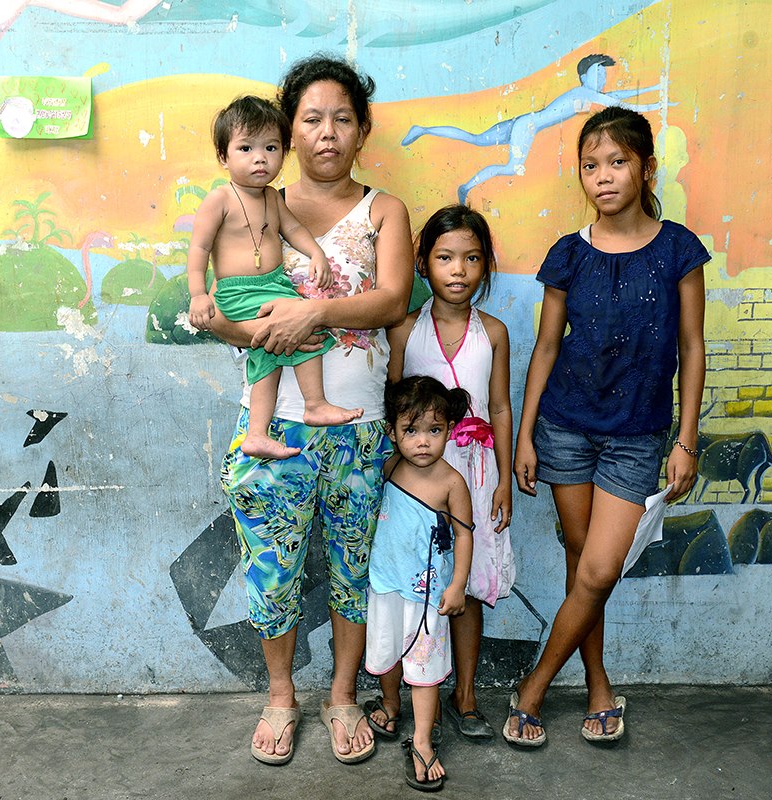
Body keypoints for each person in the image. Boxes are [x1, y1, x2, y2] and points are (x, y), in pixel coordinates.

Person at [203, 54, 415, 766]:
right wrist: (266, 330)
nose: (328, 133)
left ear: (362, 130)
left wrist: (313, 313)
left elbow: (392, 301)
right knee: (273, 567)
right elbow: (220, 309)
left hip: (358, 429)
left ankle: (344, 695)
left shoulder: (384, 210)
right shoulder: (253, 202)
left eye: (343, 119)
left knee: (355, 570)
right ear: (288, 131)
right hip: (273, 425)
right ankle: (280, 696)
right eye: (312, 119)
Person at [507, 106, 707, 746]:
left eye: (617, 161)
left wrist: (686, 440)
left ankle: (533, 688)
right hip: (565, 426)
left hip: (636, 436)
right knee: (579, 564)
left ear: (647, 168)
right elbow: (545, 347)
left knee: (597, 572)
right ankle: (597, 685)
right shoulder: (569, 253)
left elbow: (692, 346)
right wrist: (525, 436)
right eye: (590, 165)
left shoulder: (678, 249)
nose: (603, 176)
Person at [371, 205, 514, 743]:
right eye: (445, 257)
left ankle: (466, 696)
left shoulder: (493, 332)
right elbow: (390, 403)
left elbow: (499, 407)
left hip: (474, 473)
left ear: (486, 265)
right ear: (423, 264)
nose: (459, 270)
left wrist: (503, 479)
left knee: (468, 584)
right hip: (415, 478)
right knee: (408, 581)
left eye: (472, 259)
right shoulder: (406, 329)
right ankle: (398, 694)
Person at [187, 95, 362, 460]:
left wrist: (316, 253)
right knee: (295, 334)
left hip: (273, 286)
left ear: (284, 152)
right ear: (223, 156)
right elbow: (199, 249)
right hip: (238, 292)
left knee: (279, 348)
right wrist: (199, 295)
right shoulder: (220, 199)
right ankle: (313, 404)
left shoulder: (271, 198)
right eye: (246, 148)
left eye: (271, 148)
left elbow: (294, 229)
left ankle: (261, 432)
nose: (260, 158)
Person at [365, 376, 473, 791]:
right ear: (392, 432)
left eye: (434, 430)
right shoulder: (390, 467)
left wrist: (458, 584)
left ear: (449, 430)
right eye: (411, 430)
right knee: (388, 651)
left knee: (424, 667)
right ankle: (391, 704)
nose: (423, 441)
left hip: (427, 596)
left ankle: (423, 740)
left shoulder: (452, 483)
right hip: (385, 585)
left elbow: (464, 535)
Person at [401, 54, 667, 205]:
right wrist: (658, 104)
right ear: (584, 76)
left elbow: (619, 95)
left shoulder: (587, 93)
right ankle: (466, 186)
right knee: (511, 167)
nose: (602, 78)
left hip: (523, 120)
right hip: (526, 126)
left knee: (477, 139)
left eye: (603, 74)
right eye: (598, 73)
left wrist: (657, 89)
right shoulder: (584, 92)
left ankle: (423, 129)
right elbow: (621, 103)